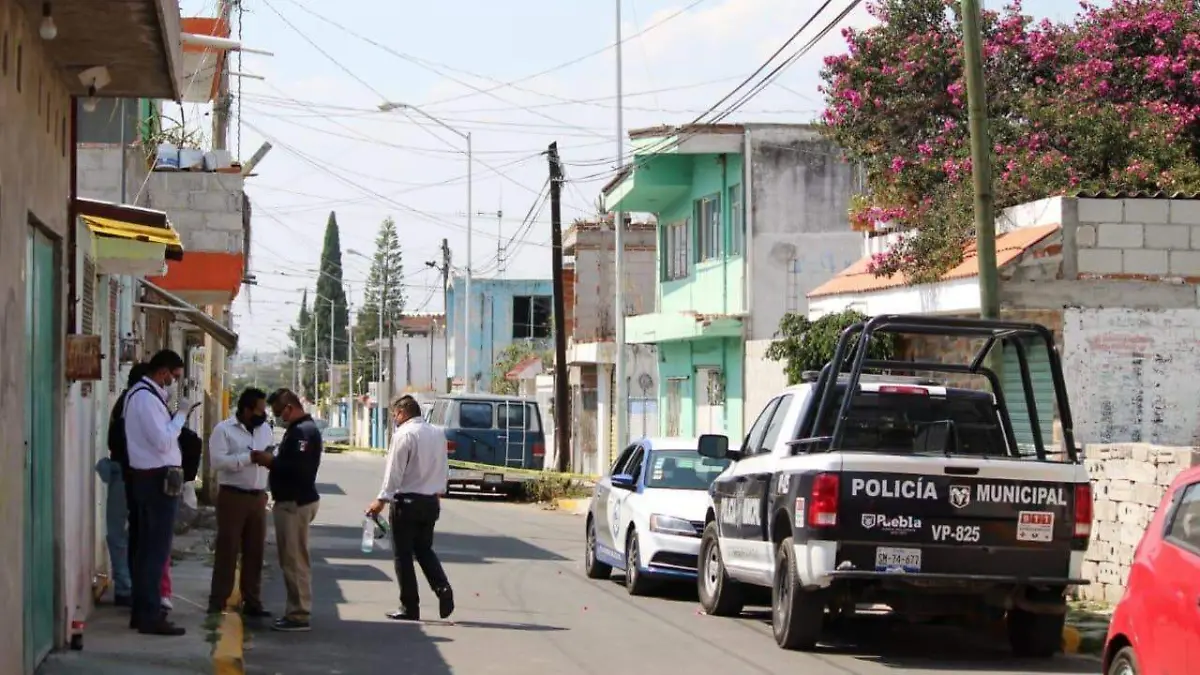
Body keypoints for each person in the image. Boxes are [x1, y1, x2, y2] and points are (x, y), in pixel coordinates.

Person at [124, 349, 195, 636]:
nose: (174, 382)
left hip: (150, 478)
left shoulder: (144, 396)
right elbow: (163, 441)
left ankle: (143, 611)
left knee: (146, 550)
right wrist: (180, 415)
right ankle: (150, 613)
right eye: (174, 377)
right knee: (155, 550)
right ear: (162, 371)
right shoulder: (144, 398)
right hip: (156, 481)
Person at [366, 394, 455, 622]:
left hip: (406, 503)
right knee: (424, 549)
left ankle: (409, 606)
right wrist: (437, 490)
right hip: (430, 502)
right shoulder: (437, 433)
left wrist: (381, 499)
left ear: (403, 413)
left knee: (403, 555)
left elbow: (394, 472)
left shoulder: (404, 434)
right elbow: (444, 467)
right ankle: (442, 588)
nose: (394, 419)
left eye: (395, 414)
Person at [257, 389, 323, 632]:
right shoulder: (297, 431)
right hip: (291, 502)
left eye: (278, 413)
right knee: (292, 558)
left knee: (294, 560)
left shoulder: (303, 432)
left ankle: (298, 613)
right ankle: (296, 610)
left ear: (289, 408)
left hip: (295, 503)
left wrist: (270, 461)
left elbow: (299, 470)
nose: (278, 418)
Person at [206, 388, 274, 617]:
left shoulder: (265, 430)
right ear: (246, 410)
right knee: (228, 549)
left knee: (255, 551)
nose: (263, 414)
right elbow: (216, 462)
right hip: (232, 496)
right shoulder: (224, 430)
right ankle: (218, 600)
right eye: (259, 410)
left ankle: (252, 600)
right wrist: (248, 458)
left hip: (257, 497)